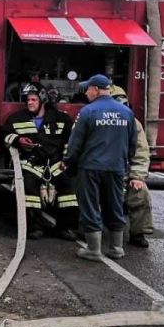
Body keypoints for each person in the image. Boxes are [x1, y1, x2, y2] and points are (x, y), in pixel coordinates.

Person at [62, 74, 136, 260]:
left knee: (91, 206)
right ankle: (116, 248)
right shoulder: (126, 112)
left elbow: (75, 143)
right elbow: (132, 144)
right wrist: (124, 162)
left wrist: (69, 163)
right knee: (115, 205)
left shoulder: (87, 112)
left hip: (91, 168)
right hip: (116, 167)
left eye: (87, 89)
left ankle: (93, 250)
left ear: (95, 89)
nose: (86, 93)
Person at [0, 84, 78, 239]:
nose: (29, 103)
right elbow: (4, 136)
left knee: (68, 186)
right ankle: (33, 227)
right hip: (30, 163)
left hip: (56, 164)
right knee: (29, 187)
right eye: (28, 100)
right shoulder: (16, 118)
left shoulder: (61, 119)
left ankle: (66, 227)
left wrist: (66, 161)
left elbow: (71, 141)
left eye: (33, 100)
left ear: (43, 100)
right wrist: (18, 140)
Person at [110, 85, 154, 247]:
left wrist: (137, 176)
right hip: (101, 171)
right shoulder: (95, 119)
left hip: (125, 172)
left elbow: (141, 152)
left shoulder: (133, 124)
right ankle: (89, 231)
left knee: (140, 195)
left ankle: (138, 233)